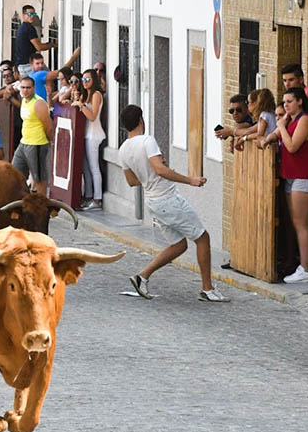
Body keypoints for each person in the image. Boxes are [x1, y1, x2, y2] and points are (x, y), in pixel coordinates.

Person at [117, 104, 229, 303]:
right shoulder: (147, 141)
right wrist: (190, 180)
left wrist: (150, 171)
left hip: (153, 202)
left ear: (125, 126)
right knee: (202, 237)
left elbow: (132, 181)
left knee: (179, 245)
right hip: (167, 198)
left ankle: (142, 277)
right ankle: (208, 289)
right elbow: (160, 170)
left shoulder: (123, 149)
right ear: (141, 120)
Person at [275, 87, 308, 284]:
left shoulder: (304, 120)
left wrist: (282, 127)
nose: (286, 105)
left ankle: (307, 268)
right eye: (284, 102)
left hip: (304, 176)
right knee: (294, 222)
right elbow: (275, 136)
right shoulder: (289, 120)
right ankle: (298, 263)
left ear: (300, 101)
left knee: (301, 224)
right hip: (291, 176)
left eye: (289, 101)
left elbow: (292, 146)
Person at [6, 76, 53, 196]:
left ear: (34, 88)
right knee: (14, 173)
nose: (25, 90)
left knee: (39, 178)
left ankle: (42, 204)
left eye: (28, 88)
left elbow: (48, 126)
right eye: (23, 87)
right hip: (24, 142)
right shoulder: (25, 101)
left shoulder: (39, 103)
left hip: (37, 143)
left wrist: (48, 141)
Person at [73, 67, 106, 209]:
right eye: (83, 79)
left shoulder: (96, 95)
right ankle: (88, 195)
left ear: (94, 80)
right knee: (85, 168)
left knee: (94, 167)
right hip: (86, 135)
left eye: (88, 79)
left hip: (94, 135)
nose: (85, 82)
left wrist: (81, 105)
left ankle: (97, 199)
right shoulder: (85, 95)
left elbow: (92, 116)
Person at [15, 5, 56, 76]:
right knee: (49, 77)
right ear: (23, 15)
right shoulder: (29, 28)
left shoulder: (21, 28)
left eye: (34, 14)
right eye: (30, 14)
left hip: (21, 66)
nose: (32, 16)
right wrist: (51, 45)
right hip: (29, 65)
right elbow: (39, 47)